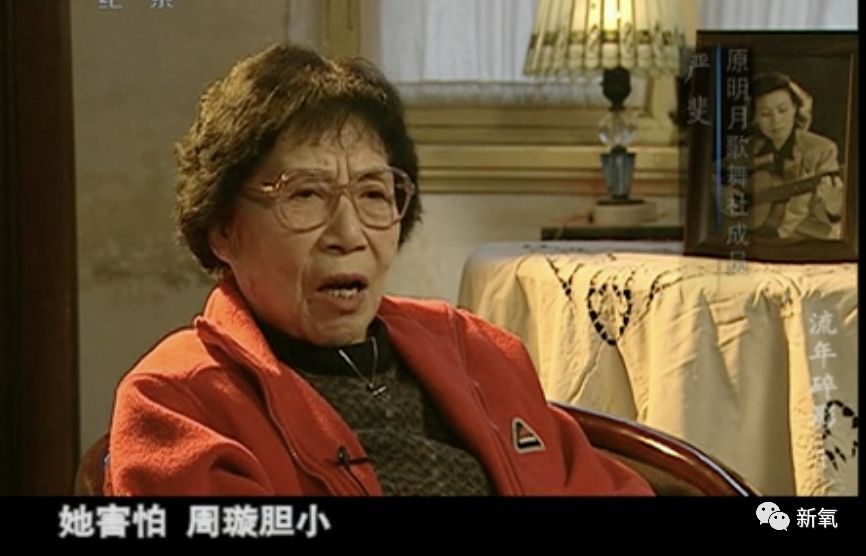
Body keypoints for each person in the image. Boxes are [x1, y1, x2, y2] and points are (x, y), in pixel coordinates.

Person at [104, 43, 652, 496]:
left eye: (373, 193)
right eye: (306, 194)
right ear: (223, 229)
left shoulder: (477, 351)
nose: (349, 235)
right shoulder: (177, 401)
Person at [748, 71, 845, 240]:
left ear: (795, 108)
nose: (776, 121)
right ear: (755, 117)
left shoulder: (822, 149)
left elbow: (829, 218)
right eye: (765, 114)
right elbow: (713, 177)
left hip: (805, 240)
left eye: (783, 110)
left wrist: (833, 209)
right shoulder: (750, 148)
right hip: (755, 240)